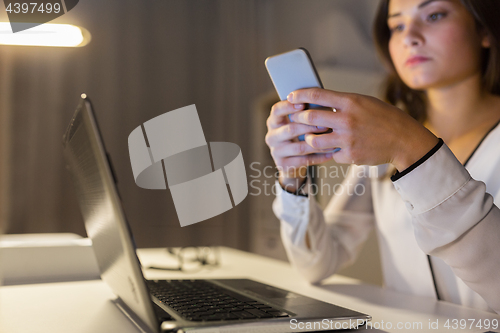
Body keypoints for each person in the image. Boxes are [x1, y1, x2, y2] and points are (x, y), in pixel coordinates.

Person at [265, 0, 500, 314]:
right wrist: (291, 178)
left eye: (434, 15)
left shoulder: (394, 136)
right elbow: (317, 262)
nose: (409, 37)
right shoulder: (383, 141)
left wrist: (409, 144)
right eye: (397, 25)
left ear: (484, 29)